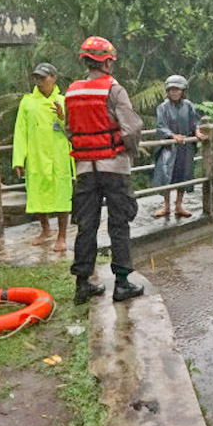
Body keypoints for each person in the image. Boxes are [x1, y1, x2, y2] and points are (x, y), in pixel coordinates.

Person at [67, 36, 144, 305]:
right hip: (114, 165)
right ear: (107, 61)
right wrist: (130, 151)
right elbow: (131, 129)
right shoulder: (114, 89)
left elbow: (70, 129)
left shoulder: (72, 91)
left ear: (87, 60)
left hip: (85, 168)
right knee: (118, 223)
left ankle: (82, 282)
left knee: (86, 224)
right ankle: (122, 283)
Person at [12, 63, 74, 252]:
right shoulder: (28, 102)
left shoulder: (64, 101)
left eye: (43, 78)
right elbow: (20, 131)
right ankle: (45, 229)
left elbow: (72, 131)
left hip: (58, 155)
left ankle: (62, 235)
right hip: (36, 154)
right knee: (37, 193)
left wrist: (63, 117)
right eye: (37, 78)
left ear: (54, 78)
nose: (39, 82)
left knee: (62, 195)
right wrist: (18, 159)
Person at [152, 75, 205, 218]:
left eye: (177, 90)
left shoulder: (188, 105)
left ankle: (179, 206)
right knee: (167, 175)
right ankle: (167, 206)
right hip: (170, 147)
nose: (174, 92)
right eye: (171, 90)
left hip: (185, 146)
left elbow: (195, 121)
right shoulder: (162, 107)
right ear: (167, 91)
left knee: (184, 175)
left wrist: (197, 132)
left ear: (183, 91)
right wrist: (173, 136)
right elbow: (161, 126)